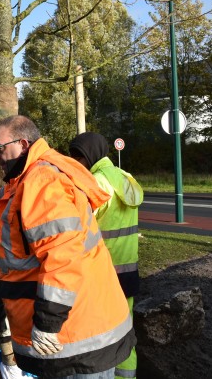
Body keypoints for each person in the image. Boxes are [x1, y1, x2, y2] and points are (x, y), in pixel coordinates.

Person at [0, 115, 135, 379]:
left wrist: (48, 324)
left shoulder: (42, 181)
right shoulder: (29, 176)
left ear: (23, 143)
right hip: (82, 321)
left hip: (76, 332)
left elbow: (63, 257)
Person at [69, 132, 144, 379]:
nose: (75, 163)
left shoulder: (96, 182)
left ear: (88, 155)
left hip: (103, 273)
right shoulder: (125, 177)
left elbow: (78, 225)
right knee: (125, 332)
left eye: (77, 157)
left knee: (102, 335)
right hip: (128, 270)